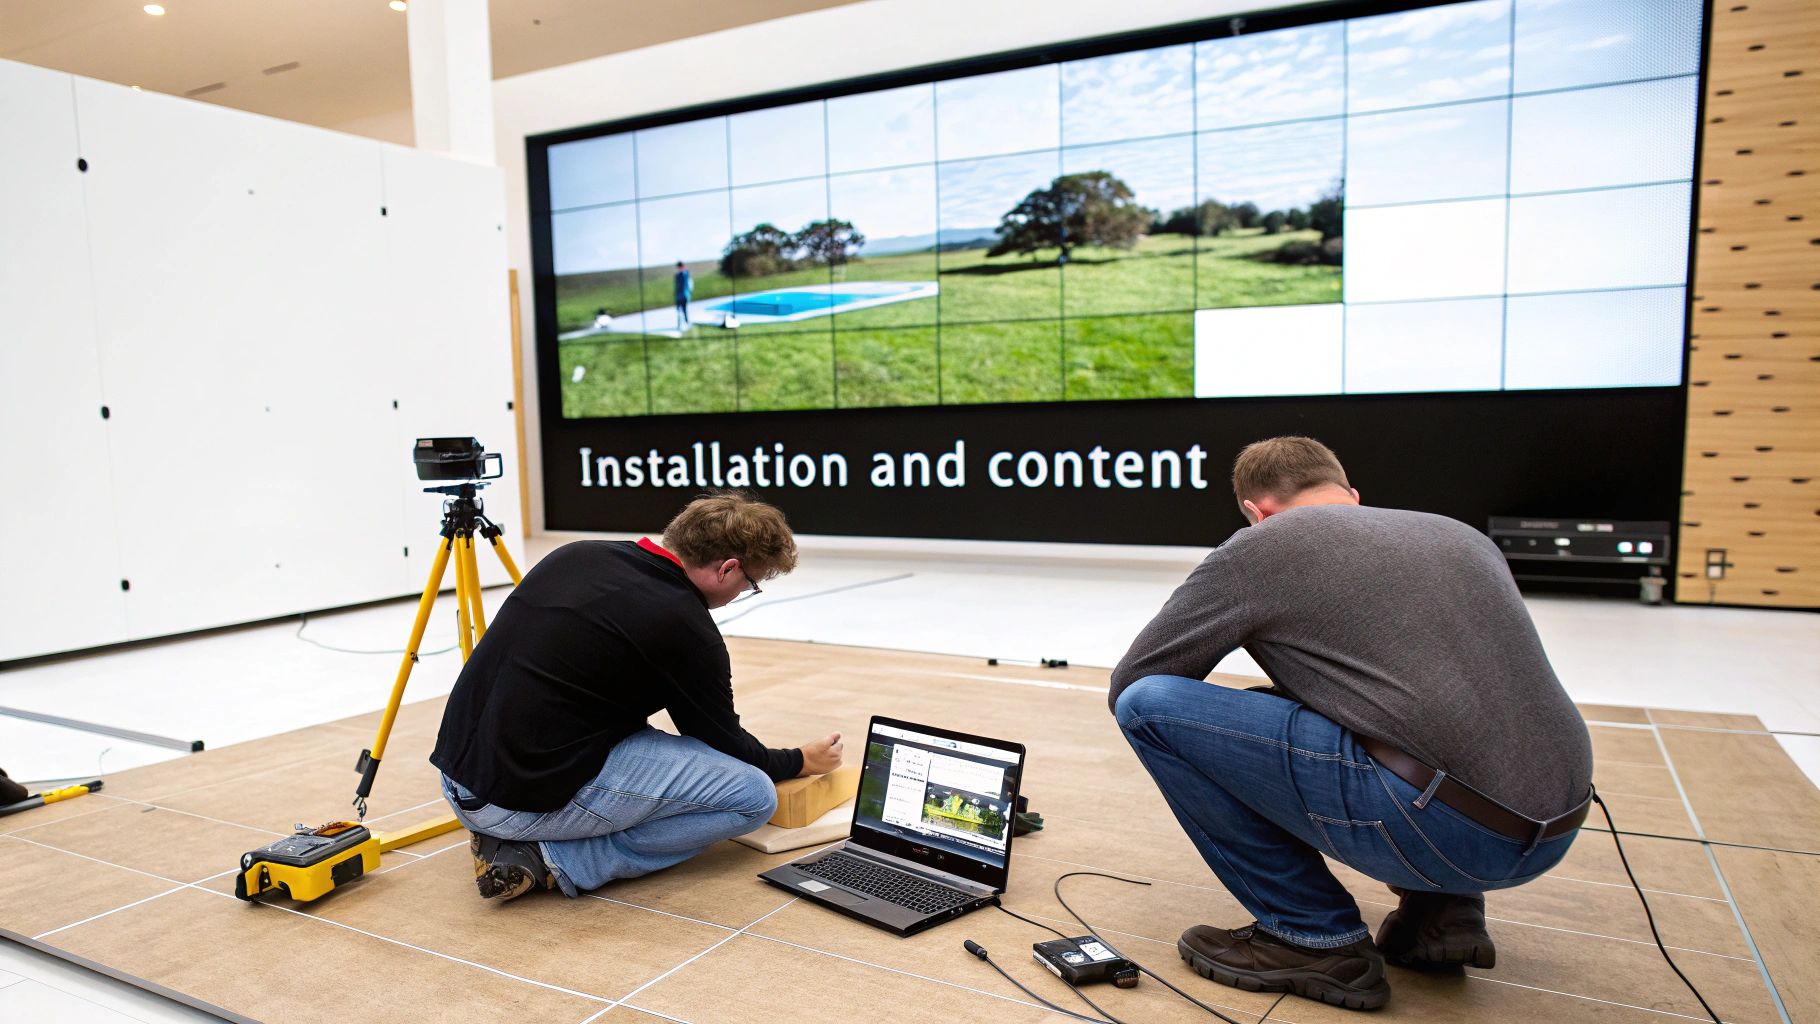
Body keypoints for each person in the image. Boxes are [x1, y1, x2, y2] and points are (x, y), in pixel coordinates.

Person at [1108, 437, 1592, 1011]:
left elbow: (1135, 682)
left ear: (1255, 512)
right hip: (1554, 825)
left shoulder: (1263, 545)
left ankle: (1310, 936)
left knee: (1150, 707)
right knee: (1406, 711)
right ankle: (1443, 914)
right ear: (1351, 495)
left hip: (1445, 828)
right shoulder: (1461, 535)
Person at [430, 492, 843, 901]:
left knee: (641, 736)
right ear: (727, 569)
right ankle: (552, 857)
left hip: (457, 774)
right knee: (753, 796)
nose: (742, 593)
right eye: (749, 584)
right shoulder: (685, 625)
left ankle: (519, 834)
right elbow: (726, 745)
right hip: (511, 804)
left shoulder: (578, 555)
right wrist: (799, 761)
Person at [673, 260, 692, 328]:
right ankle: (681, 324)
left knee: (684, 310)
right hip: (680, 295)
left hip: (683, 295)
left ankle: (685, 323)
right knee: (681, 310)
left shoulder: (683, 274)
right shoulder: (682, 274)